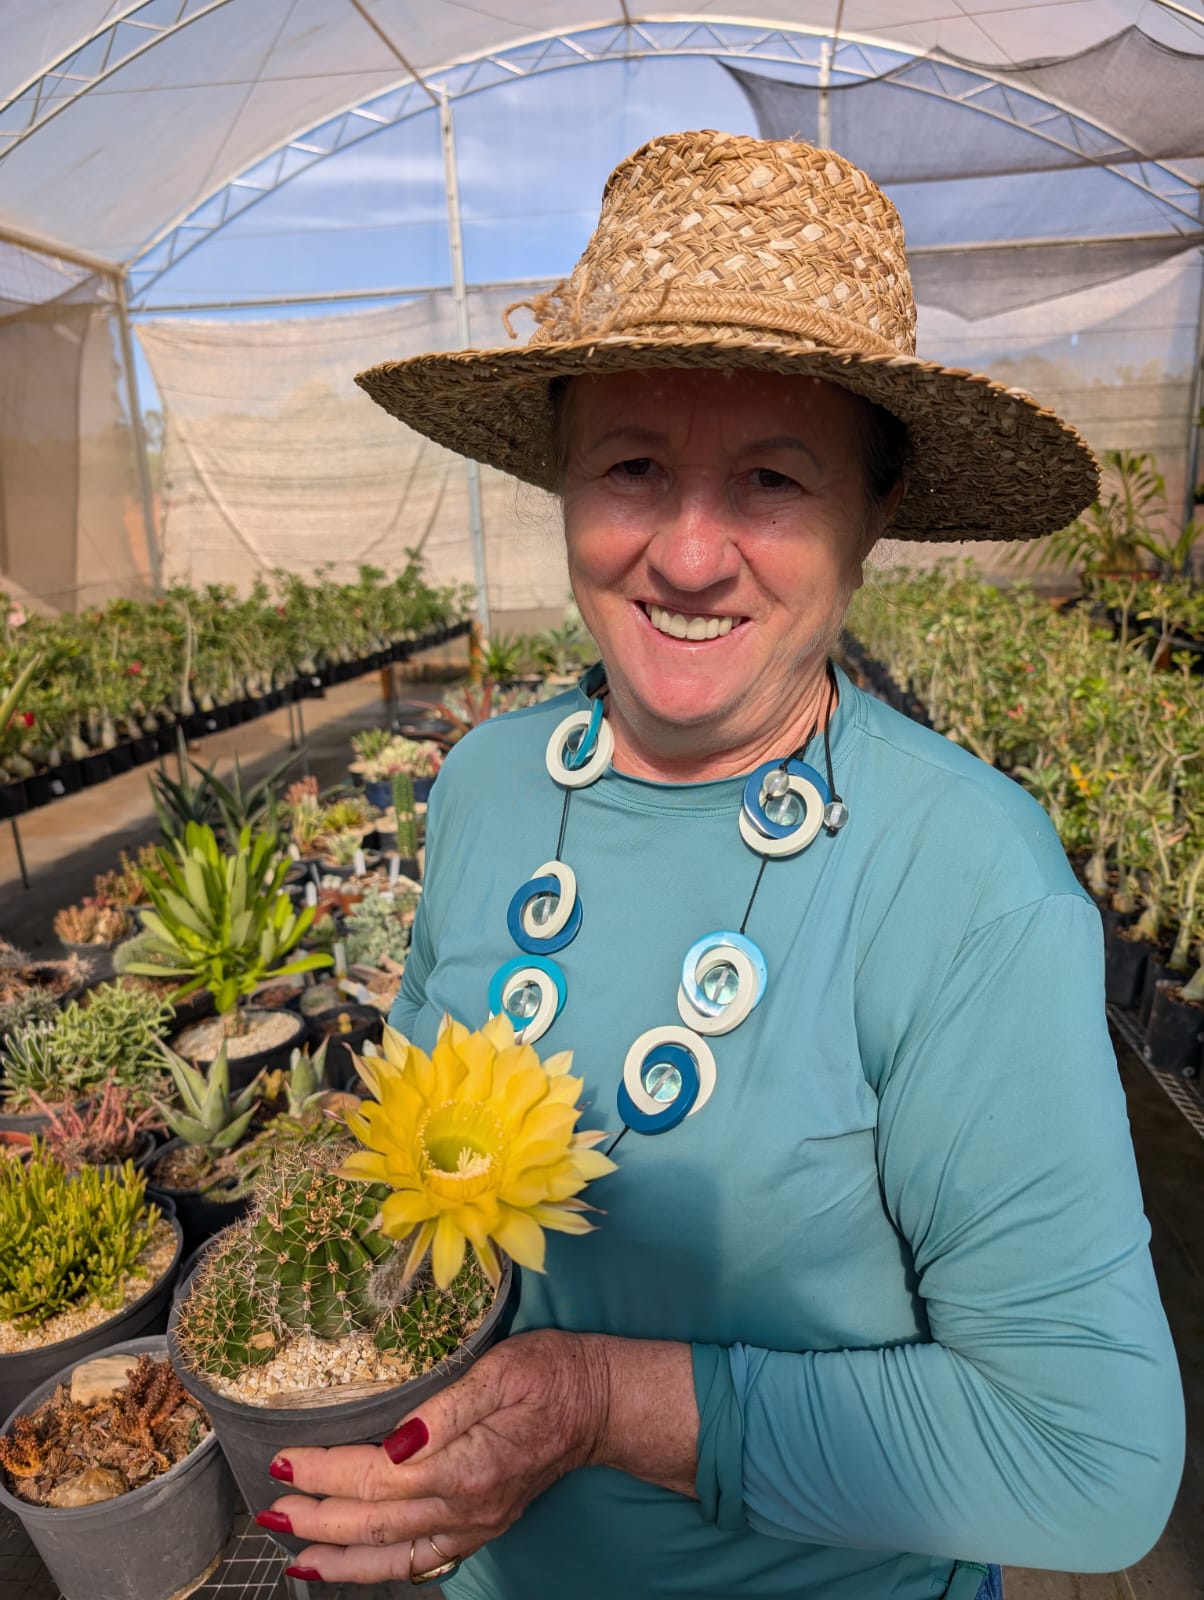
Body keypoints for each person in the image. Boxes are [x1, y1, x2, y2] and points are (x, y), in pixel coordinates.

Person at [260, 130, 1184, 1599]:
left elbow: (1089, 1462)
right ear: (564, 483)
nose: (689, 556)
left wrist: (597, 1404)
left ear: (872, 515)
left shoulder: (960, 876)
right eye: (633, 465)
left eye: (771, 479)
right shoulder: (492, 786)